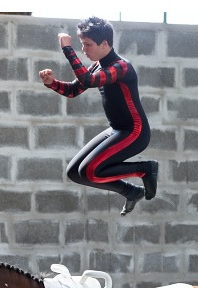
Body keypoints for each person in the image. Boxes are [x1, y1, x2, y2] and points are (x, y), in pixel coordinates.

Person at [38, 16, 158, 216]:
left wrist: (67, 49)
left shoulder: (121, 67)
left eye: (87, 44)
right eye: (81, 44)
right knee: (75, 173)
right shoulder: (97, 65)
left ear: (105, 44)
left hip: (134, 132)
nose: (84, 49)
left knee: (91, 170)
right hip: (117, 130)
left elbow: (88, 80)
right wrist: (51, 82)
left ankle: (144, 169)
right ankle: (130, 191)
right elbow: (73, 91)